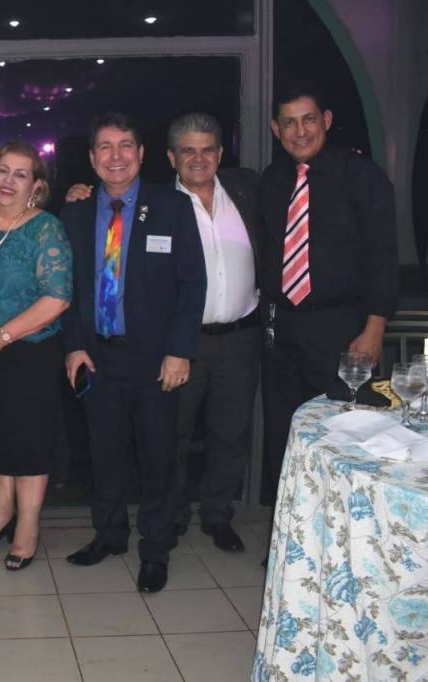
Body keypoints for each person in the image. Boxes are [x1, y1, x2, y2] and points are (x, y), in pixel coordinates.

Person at [61, 113, 205, 593]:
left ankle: (156, 550)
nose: (116, 156)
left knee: (157, 458)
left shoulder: (172, 207)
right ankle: (109, 535)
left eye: (125, 145)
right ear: (92, 158)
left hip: (155, 358)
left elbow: (192, 285)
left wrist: (180, 352)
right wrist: (74, 346)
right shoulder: (76, 214)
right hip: (97, 357)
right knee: (104, 454)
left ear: (141, 154)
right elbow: (68, 290)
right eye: (105, 147)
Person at [259, 83, 397, 506]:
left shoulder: (363, 176)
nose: (300, 131)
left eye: (309, 119)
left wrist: (375, 328)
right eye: (289, 123)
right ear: (275, 129)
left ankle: (343, 529)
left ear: (327, 120)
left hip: (344, 331)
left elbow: (383, 255)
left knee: (344, 437)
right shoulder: (271, 180)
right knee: (287, 437)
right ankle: (293, 529)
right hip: (283, 331)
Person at [0, 140, 72, 571]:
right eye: (3, 171)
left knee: (28, 443)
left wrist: (2, 336)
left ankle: (27, 526)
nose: (9, 181)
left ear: (36, 186)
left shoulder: (45, 229)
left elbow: (58, 297)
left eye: (21, 174)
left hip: (30, 354)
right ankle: (0, 515)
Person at [165, 113, 261, 553]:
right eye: (188, 150)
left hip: (240, 339)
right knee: (174, 433)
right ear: (172, 157)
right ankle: (173, 515)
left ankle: (218, 515)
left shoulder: (247, 191)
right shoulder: (159, 205)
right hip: (182, 344)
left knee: (231, 433)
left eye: (207, 149)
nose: (198, 159)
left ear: (220, 154)